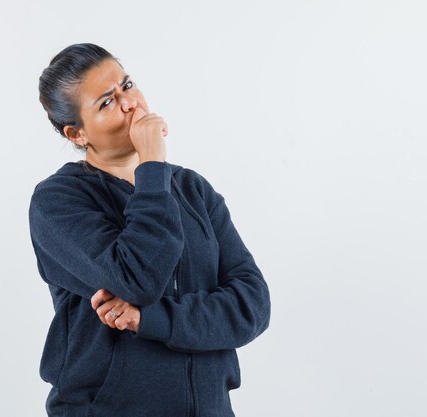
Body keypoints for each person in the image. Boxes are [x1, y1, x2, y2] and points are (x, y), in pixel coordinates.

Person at [28, 42, 271, 417]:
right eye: (106, 102)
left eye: (127, 85)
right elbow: (139, 277)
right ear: (77, 134)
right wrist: (152, 164)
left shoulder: (192, 189)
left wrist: (149, 319)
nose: (130, 103)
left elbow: (252, 304)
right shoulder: (58, 201)